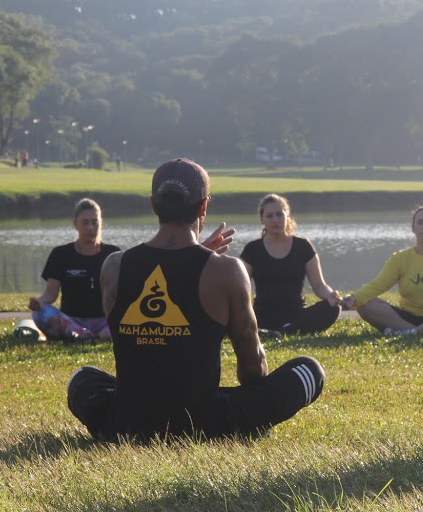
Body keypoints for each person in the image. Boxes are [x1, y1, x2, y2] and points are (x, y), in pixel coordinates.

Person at [66, 158, 325, 442]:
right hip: (204, 425)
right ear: (203, 207)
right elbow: (252, 370)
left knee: (82, 380)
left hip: (127, 423)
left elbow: (145, 355)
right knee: (309, 370)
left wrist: (194, 257)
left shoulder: (114, 267)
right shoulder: (226, 271)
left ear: (153, 205)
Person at [341, 205, 423, 337]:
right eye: (420, 222)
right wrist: (355, 298)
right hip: (407, 317)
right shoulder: (400, 258)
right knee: (365, 304)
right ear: (413, 228)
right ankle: (419, 331)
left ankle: (414, 332)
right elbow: (379, 284)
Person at [240, 194, 341, 335]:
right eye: (269, 216)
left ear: (287, 216)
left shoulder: (303, 246)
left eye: (279, 214)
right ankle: (278, 331)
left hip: (297, 315)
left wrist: (331, 295)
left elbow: (319, 285)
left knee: (333, 308)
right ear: (262, 220)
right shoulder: (252, 249)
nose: (275, 220)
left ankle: (285, 331)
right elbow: (241, 288)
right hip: (262, 315)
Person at [28, 198, 120, 340]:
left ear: (101, 223)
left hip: (105, 320)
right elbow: (50, 294)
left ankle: (94, 336)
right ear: (75, 224)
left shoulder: (113, 254)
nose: (90, 227)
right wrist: (39, 301)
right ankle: (83, 334)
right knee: (40, 313)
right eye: (85, 222)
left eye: (94, 222)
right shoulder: (60, 254)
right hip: (71, 321)